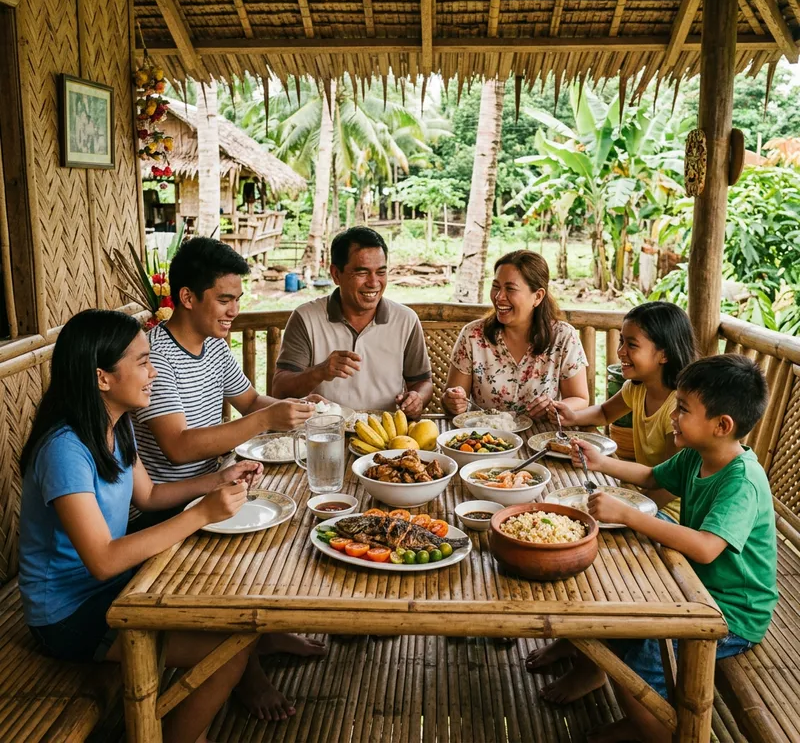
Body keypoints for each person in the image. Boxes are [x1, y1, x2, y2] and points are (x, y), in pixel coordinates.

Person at [18, 309, 267, 743]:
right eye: (143, 362)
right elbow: (102, 560)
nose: (154, 373)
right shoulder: (65, 450)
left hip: (118, 586)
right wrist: (202, 513)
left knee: (224, 600)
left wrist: (218, 479)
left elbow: (148, 496)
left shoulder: (115, 426)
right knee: (228, 650)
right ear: (102, 378)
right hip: (69, 614)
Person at [131, 237, 325, 719]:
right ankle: (245, 668)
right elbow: (178, 446)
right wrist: (264, 421)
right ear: (188, 298)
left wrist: (294, 410)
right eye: (225, 298)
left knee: (292, 524)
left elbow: (251, 403)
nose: (234, 309)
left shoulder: (214, 349)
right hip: (164, 504)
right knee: (259, 543)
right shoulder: (156, 356)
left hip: (214, 483)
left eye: (238, 298)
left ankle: (263, 632)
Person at [539, 355, 778, 743]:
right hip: (694, 585)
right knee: (614, 615)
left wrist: (629, 515)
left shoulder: (742, 482)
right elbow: (651, 476)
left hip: (732, 613)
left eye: (683, 409)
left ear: (722, 426)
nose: (673, 416)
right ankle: (616, 691)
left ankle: (653, 730)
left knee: (643, 650)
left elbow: (705, 548)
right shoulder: (699, 455)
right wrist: (602, 461)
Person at [546, 301, 697, 521]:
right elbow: (605, 414)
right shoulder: (637, 388)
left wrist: (629, 510)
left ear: (663, 355)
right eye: (621, 341)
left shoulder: (676, 409)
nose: (620, 351)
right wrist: (573, 416)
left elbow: (669, 486)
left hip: (670, 511)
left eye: (632, 345)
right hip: (641, 493)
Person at [272, 226, 434, 416]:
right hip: (325, 434)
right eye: (362, 273)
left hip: (386, 435)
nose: (374, 283)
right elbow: (280, 390)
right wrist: (320, 371)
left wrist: (417, 399)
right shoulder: (306, 318)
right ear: (336, 274)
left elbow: (422, 383)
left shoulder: (405, 319)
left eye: (381, 272)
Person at [442, 250, 590, 418]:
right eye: (496, 286)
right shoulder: (473, 336)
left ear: (538, 296)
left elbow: (579, 398)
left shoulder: (563, 337)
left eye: (510, 289)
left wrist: (554, 406)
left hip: (541, 439)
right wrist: (453, 402)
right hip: (484, 440)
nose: (499, 297)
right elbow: (452, 403)